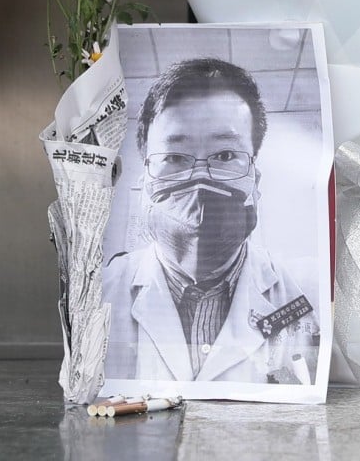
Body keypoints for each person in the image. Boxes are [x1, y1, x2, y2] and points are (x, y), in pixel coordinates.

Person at [103, 57, 320, 385]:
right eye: (174, 158)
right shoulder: (104, 293)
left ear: (254, 181)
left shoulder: (302, 298)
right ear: (146, 181)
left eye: (225, 156)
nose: (200, 179)